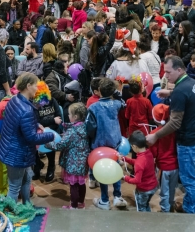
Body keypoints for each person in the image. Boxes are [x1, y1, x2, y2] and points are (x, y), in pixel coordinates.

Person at [146, 56, 195, 214]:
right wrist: (170, 92)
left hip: (189, 141)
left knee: (189, 180)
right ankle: (189, 206)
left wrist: (155, 136)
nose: (166, 76)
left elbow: (175, 123)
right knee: (191, 177)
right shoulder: (193, 83)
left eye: (168, 72)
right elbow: (185, 93)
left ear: (179, 69)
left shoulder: (180, 91)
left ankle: (191, 213)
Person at [0, 73, 55, 204]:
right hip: (17, 153)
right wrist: (51, 135)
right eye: (35, 85)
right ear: (28, 86)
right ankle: (9, 215)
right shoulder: (26, 109)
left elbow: (19, 123)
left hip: (11, 149)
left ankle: (26, 205)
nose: (37, 88)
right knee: (14, 187)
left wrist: (35, 124)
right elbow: (32, 137)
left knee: (27, 177)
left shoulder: (15, 99)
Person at [87, 78, 128, 210]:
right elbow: (123, 103)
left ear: (99, 91)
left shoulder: (93, 107)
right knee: (115, 167)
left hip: (99, 144)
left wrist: (90, 139)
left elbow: (90, 127)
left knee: (102, 170)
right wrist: (116, 93)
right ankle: (117, 196)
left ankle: (104, 200)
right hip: (114, 142)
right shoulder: (116, 104)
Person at [44, 103, 90, 209]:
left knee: (73, 185)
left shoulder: (71, 132)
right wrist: (64, 125)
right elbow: (73, 127)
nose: (68, 116)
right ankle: (81, 203)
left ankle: (73, 206)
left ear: (75, 117)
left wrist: (47, 143)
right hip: (83, 162)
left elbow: (60, 145)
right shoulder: (85, 127)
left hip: (73, 162)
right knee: (81, 183)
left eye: (69, 114)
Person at [149, 104, 178, 213]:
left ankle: (165, 210)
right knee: (172, 189)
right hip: (176, 165)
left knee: (164, 191)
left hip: (163, 167)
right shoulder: (175, 130)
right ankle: (170, 205)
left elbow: (153, 153)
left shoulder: (154, 134)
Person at [119, 131, 158, 212]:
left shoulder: (139, 163)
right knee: (146, 204)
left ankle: (143, 222)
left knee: (141, 209)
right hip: (153, 187)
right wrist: (125, 159)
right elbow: (138, 162)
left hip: (144, 190)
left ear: (134, 146)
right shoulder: (148, 153)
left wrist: (124, 177)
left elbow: (137, 180)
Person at [33, 81, 62, 183]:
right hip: (39, 131)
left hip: (52, 130)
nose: (50, 90)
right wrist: (52, 120)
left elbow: (59, 117)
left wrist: (50, 125)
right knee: (34, 150)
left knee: (51, 149)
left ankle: (51, 167)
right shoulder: (35, 105)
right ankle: (37, 168)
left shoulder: (52, 100)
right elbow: (36, 121)